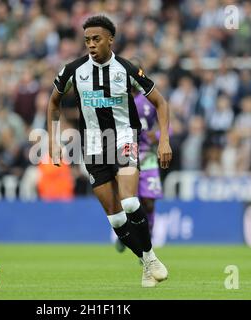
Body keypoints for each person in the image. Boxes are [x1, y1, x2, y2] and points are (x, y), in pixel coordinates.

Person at [47, 15, 172, 288]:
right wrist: (53, 139)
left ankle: (149, 259)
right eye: (87, 40)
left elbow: (160, 102)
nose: (91, 45)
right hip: (93, 145)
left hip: (124, 138)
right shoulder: (73, 70)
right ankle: (146, 259)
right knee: (116, 219)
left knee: (129, 202)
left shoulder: (126, 69)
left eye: (96, 39)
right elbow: (53, 102)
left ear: (110, 40)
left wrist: (164, 140)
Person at [115, 67, 165, 253]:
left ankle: (147, 239)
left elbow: (169, 125)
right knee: (128, 198)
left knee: (149, 202)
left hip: (148, 156)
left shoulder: (149, 102)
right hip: (127, 152)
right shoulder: (118, 101)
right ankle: (125, 232)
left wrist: (158, 135)